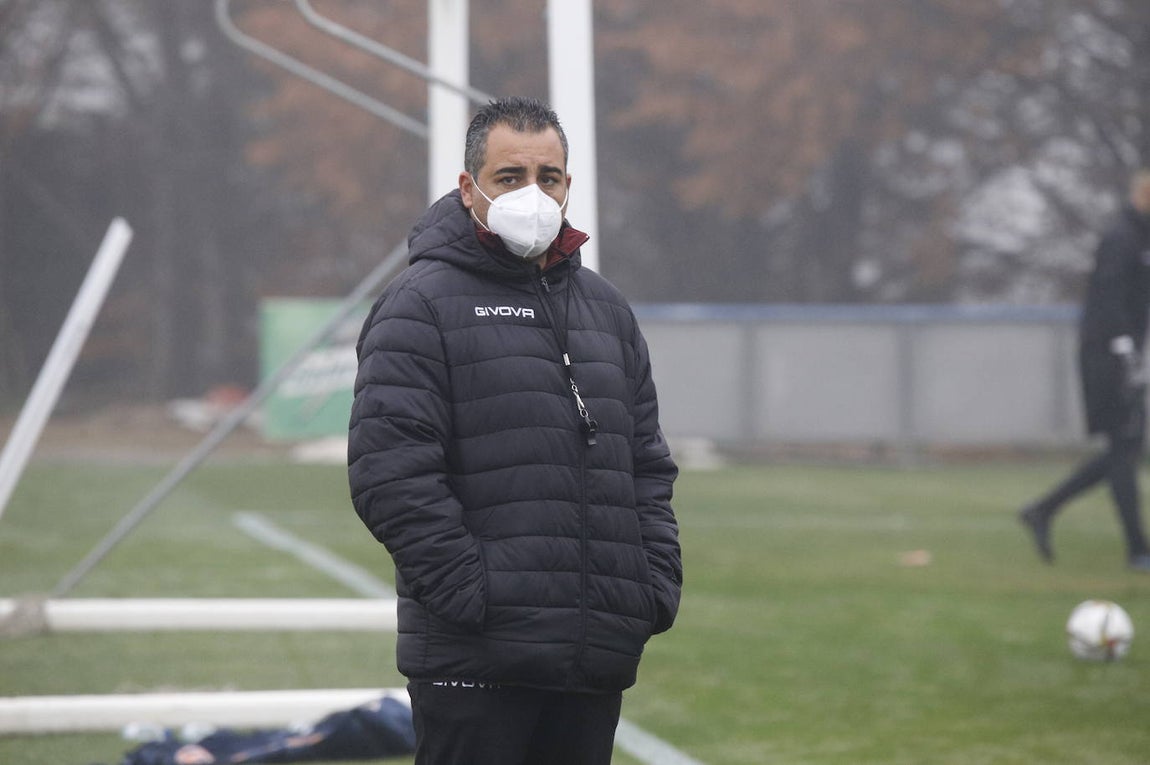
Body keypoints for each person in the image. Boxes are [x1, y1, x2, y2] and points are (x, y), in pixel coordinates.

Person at [347, 96, 682, 764]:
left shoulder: (605, 310)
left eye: (548, 176)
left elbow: (646, 463)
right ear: (469, 188)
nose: (532, 192)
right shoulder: (419, 304)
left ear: (567, 186)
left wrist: (651, 586)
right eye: (510, 176)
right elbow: (391, 472)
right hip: (476, 660)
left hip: (591, 657)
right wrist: (477, 596)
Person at [1019, 169, 1150, 571]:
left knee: (1122, 450)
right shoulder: (1121, 239)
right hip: (1106, 357)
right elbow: (1110, 303)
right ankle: (1137, 549)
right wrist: (1124, 352)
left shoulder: (1139, 239)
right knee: (1121, 450)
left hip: (1124, 355)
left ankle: (1042, 510)